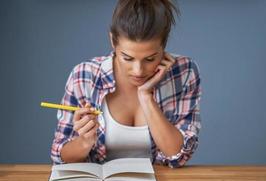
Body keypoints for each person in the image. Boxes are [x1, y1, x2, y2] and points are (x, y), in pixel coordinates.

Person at [50, 0, 202, 168]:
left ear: (164, 45)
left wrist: (146, 97)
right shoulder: (84, 76)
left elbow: (177, 155)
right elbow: (59, 155)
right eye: (127, 58)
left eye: (150, 59)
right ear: (113, 41)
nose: (138, 70)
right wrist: (84, 141)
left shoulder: (183, 72)